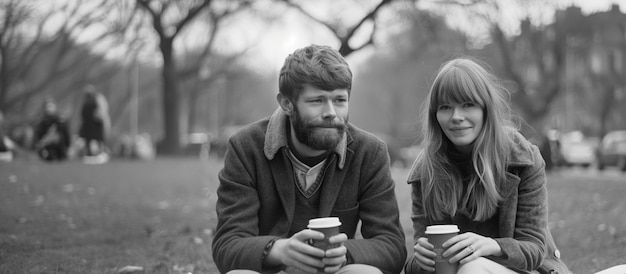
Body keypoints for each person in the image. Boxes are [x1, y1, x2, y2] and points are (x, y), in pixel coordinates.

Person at [212, 44, 407, 274]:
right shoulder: (246, 147)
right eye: (317, 101)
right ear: (287, 104)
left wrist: (343, 254)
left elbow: (392, 245)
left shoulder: (369, 152)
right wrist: (280, 251)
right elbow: (227, 244)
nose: (331, 113)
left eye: (339, 100)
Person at [404, 58, 571, 274]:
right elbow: (419, 257)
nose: (456, 117)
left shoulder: (523, 160)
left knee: (472, 268)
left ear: (486, 109)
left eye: (468, 105)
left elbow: (535, 249)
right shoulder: (425, 172)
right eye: (445, 107)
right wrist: (421, 261)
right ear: (435, 116)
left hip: (526, 270)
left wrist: (493, 246)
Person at [79, 85, 111, 164]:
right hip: (87, 125)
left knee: (98, 140)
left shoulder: (98, 99)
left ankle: (101, 154)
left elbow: (102, 112)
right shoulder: (86, 101)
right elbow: (83, 113)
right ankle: (89, 154)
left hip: (96, 125)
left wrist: (98, 116)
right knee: (88, 141)